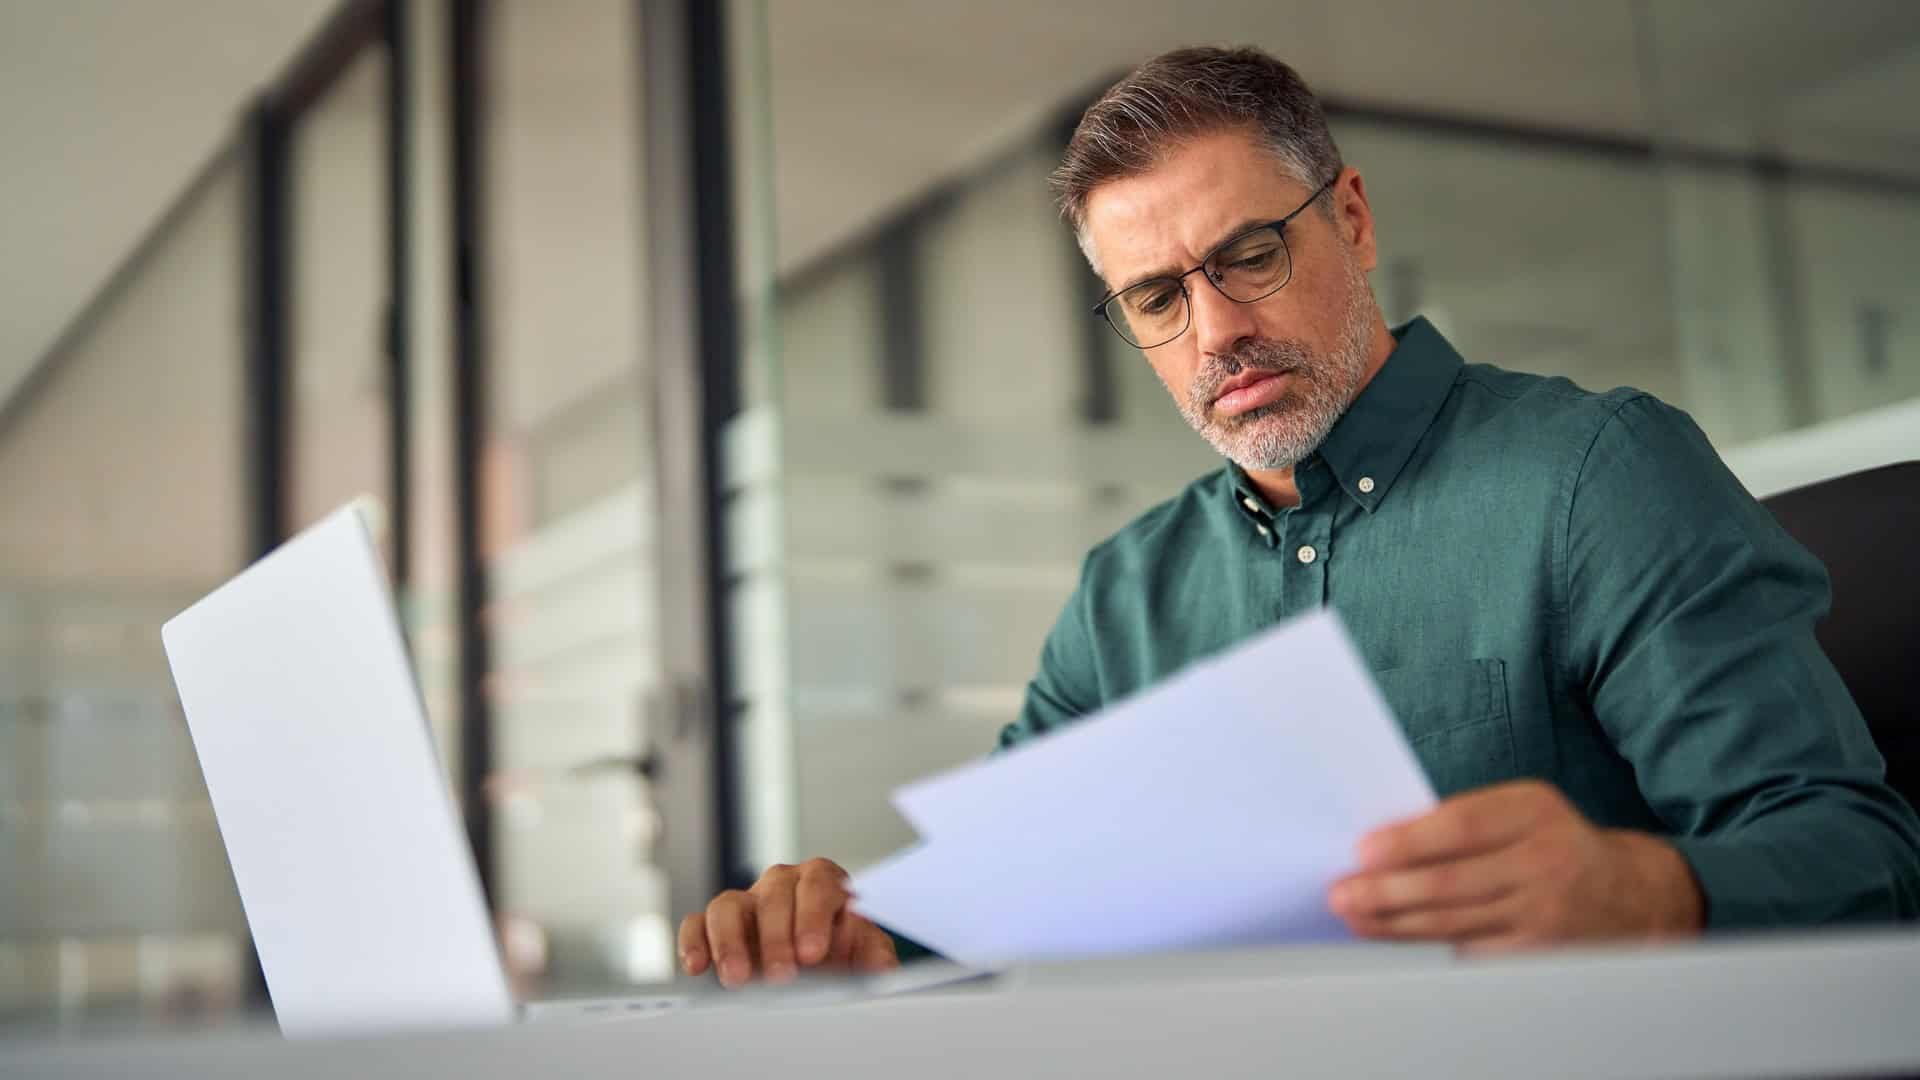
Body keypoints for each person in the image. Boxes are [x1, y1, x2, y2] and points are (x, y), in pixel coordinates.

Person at [679, 45, 1920, 988]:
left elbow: (1858, 853)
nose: (1215, 330)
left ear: (1355, 219)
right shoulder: (1126, 595)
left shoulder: (1596, 475)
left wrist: (1649, 889)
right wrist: (856, 933)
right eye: (1158, 296)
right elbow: (1011, 895)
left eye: (1251, 254)